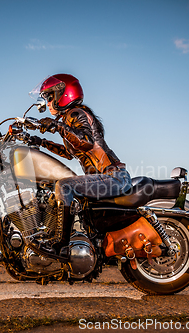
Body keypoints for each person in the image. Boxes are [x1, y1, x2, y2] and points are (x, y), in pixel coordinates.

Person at [29, 74, 131, 255]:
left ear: (64, 94)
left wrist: (57, 126)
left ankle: (61, 246)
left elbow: (86, 141)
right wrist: (41, 142)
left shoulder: (76, 113)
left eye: (50, 96)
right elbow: (69, 152)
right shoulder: (70, 117)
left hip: (112, 177)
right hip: (107, 177)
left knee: (64, 186)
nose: (48, 102)